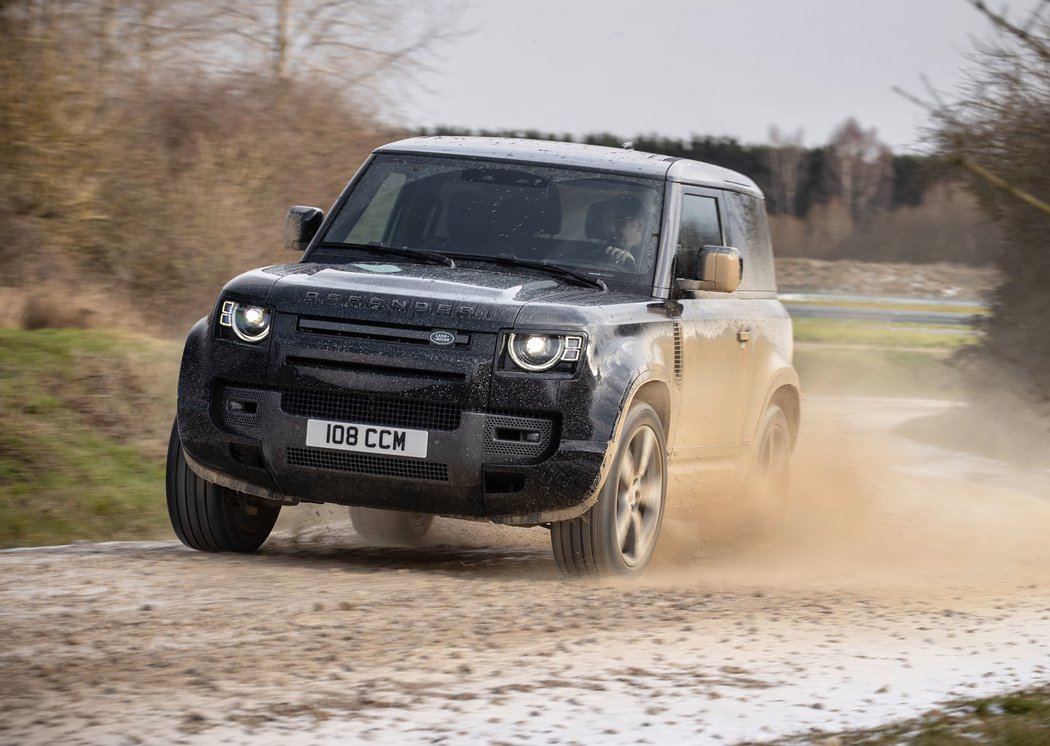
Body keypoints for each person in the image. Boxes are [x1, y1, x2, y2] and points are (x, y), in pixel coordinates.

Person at [602, 197, 646, 268]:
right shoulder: (593, 255)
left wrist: (632, 266)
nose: (611, 229)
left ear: (639, 225)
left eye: (620, 221)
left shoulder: (652, 263)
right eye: (608, 221)